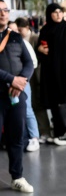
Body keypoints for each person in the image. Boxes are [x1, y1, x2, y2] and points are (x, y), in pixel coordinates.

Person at [0, 0, 35, 192]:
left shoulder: (15, 36)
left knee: (17, 136)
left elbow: (28, 62)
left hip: (16, 95)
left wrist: (21, 80)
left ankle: (17, 176)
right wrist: (12, 79)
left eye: (5, 10)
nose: (3, 13)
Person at [36, 3, 66, 146]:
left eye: (60, 12)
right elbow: (42, 49)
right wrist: (40, 50)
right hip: (50, 73)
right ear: (49, 14)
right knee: (54, 103)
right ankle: (59, 132)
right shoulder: (45, 30)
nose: (58, 14)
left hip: (65, 73)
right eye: (54, 12)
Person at [10, 18, 41, 152]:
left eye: (14, 29)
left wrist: (22, 79)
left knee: (27, 110)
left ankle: (34, 137)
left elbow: (32, 63)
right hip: (6, 83)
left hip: (22, 82)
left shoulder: (22, 43)